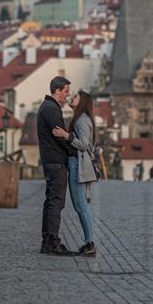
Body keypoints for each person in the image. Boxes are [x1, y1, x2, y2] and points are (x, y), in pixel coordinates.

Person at [53, 90, 97, 257]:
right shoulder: (80, 119)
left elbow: (85, 144)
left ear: (82, 102)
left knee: (81, 205)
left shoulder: (82, 120)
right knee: (81, 205)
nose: (72, 98)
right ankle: (89, 242)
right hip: (76, 164)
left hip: (78, 165)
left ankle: (90, 243)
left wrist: (66, 135)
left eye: (76, 97)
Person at [37, 76, 77, 256]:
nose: (67, 97)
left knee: (51, 201)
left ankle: (47, 241)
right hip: (55, 161)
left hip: (50, 160)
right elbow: (60, 137)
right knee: (56, 202)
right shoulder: (52, 109)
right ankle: (52, 242)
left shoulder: (47, 107)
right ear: (57, 90)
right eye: (66, 92)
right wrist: (75, 151)